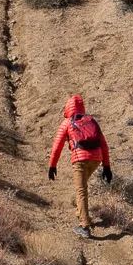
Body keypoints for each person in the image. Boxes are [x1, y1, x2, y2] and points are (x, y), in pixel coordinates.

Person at [45, 94, 109, 235]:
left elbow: (57, 146)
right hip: (96, 159)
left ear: (68, 108)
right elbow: (104, 144)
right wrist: (106, 166)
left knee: (81, 190)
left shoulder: (67, 123)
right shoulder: (91, 120)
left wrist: (52, 165)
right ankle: (81, 213)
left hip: (80, 160)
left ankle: (84, 226)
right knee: (83, 187)